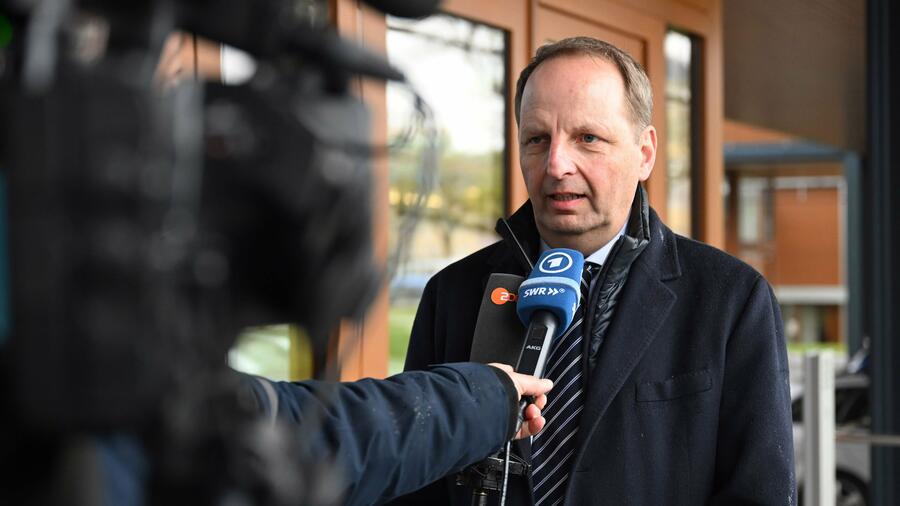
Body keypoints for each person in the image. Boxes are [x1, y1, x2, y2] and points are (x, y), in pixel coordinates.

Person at [390, 36, 795, 505]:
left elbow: (758, 491)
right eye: (537, 139)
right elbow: (414, 479)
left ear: (644, 153)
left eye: (588, 138)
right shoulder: (453, 294)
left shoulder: (731, 299)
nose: (557, 165)